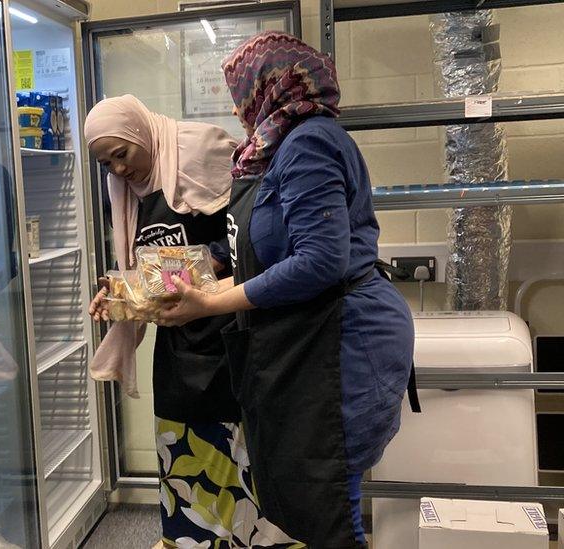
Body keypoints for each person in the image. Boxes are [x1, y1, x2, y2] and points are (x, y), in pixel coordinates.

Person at [159, 32, 417, 548]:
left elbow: (319, 262)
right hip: (310, 337)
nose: (238, 112)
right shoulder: (271, 151)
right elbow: (264, 261)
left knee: (327, 502)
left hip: (341, 341)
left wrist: (208, 303)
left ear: (268, 88)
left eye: (241, 97)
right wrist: (180, 291)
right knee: (306, 499)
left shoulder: (308, 141)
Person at [85, 95, 299, 548]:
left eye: (121, 155)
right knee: (185, 458)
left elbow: (255, 234)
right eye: (106, 163)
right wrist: (121, 288)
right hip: (179, 348)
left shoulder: (199, 152)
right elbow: (148, 266)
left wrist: (200, 269)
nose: (118, 171)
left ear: (140, 134)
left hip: (235, 329)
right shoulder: (122, 192)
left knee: (244, 460)